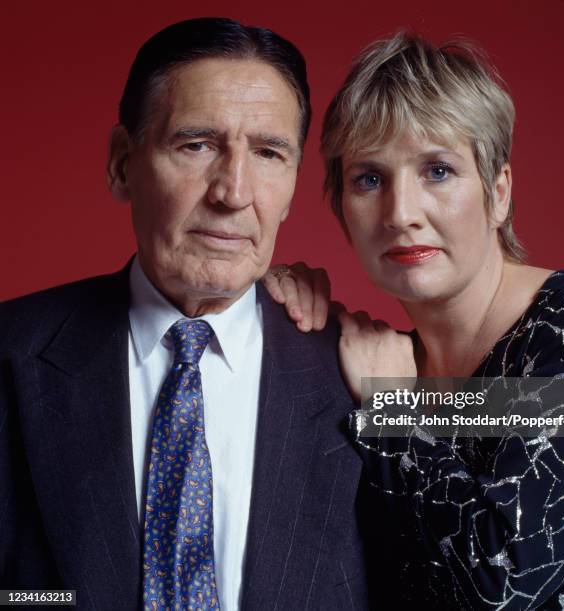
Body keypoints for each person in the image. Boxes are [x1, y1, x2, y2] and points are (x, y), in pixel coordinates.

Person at [0, 18, 374, 610]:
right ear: (123, 162)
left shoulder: (372, 374)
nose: (233, 191)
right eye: (196, 145)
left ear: (294, 183)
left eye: (269, 153)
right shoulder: (12, 354)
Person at [263, 32, 564, 609]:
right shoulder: (378, 361)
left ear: (498, 193)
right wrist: (267, 309)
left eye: (438, 171)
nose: (401, 214)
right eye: (369, 179)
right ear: (342, 212)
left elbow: (498, 584)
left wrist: (395, 410)